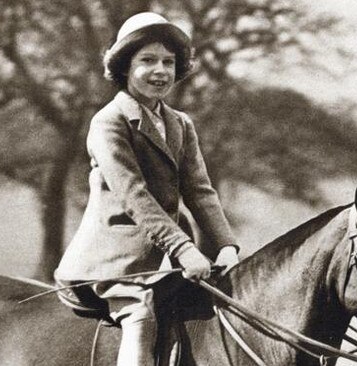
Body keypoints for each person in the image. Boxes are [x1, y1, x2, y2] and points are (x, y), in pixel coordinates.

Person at [54, 12, 239, 366]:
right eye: (148, 61)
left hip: (167, 258)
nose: (161, 71)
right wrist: (185, 248)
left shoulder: (180, 123)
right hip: (114, 261)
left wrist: (226, 245)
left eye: (169, 62)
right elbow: (134, 195)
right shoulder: (108, 121)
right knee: (140, 318)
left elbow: (199, 190)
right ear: (125, 67)